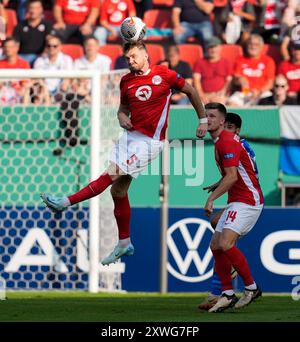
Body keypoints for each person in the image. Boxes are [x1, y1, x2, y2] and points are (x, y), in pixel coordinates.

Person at [41, 40, 208, 265]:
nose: (130, 61)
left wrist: (203, 119)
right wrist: (121, 117)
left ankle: (65, 202)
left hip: (150, 142)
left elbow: (191, 91)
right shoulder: (126, 80)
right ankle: (124, 242)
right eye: (127, 58)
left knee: (110, 175)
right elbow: (123, 109)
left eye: (134, 57)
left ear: (146, 56)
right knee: (118, 192)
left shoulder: (164, 75)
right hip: (130, 138)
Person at [203, 102, 263, 312]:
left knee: (226, 244)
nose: (207, 119)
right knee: (216, 245)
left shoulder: (226, 142)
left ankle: (251, 288)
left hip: (247, 200)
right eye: (205, 115)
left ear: (222, 121)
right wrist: (218, 184)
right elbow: (232, 173)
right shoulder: (223, 141)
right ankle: (227, 293)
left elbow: (232, 176)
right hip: (238, 198)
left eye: (212, 116)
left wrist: (211, 199)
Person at [193, 36, 233, 104]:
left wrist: (221, 94)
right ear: (207, 49)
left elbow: (229, 81)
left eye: (215, 47)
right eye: (210, 47)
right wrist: (201, 95)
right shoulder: (200, 62)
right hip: (204, 95)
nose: (213, 50)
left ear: (220, 47)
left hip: (220, 96)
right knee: (196, 105)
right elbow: (196, 80)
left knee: (220, 105)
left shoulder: (226, 62)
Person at [13, 0, 53, 65]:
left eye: (36, 8)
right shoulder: (20, 26)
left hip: (41, 57)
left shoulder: (48, 25)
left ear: (41, 9)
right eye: (31, 8)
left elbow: (51, 41)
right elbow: (15, 43)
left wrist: (43, 54)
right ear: (27, 9)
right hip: (22, 56)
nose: (33, 11)